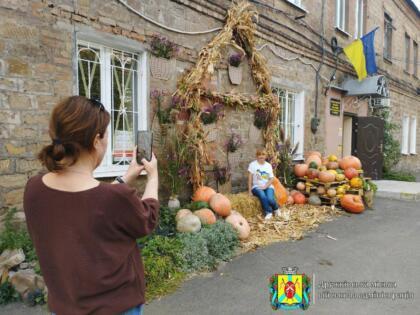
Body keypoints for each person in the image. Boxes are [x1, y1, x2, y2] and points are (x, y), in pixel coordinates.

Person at [23, 96, 159, 315]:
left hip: (64, 306)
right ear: (96, 140)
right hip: (116, 307)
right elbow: (148, 218)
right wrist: (153, 176)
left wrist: (126, 177)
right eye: (107, 135)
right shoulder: (115, 199)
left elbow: (89, 204)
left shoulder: (34, 189)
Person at [248, 149, 280, 220]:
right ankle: (269, 212)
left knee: (270, 199)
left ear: (266, 156)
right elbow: (250, 179)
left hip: (268, 186)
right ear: (257, 156)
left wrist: (265, 186)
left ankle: (276, 208)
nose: (261, 156)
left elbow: (271, 178)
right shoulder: (253, 165)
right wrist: (249, 191)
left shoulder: (268, 166)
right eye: (259, 154)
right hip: (257, 187)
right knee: (262, 195)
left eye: (263, 154)